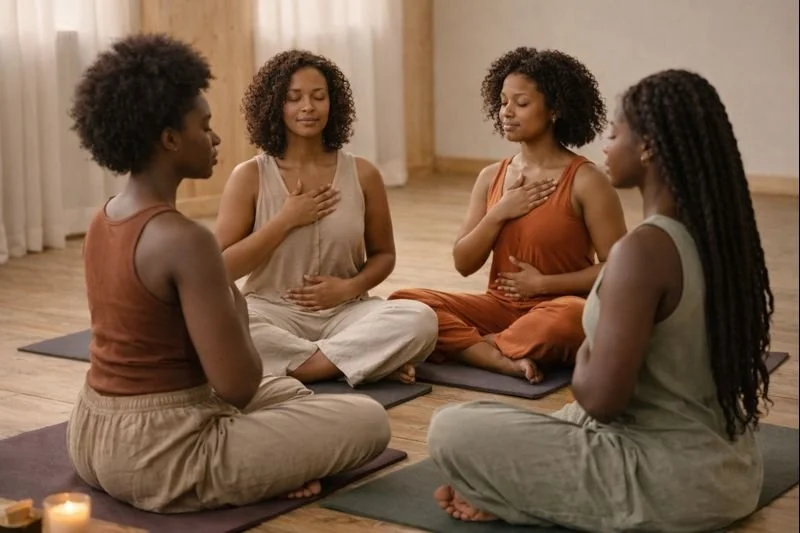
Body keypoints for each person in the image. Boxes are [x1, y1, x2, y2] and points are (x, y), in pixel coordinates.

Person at [427, 69, 773, 532]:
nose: (606, 144)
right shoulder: (715, 238)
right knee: (520, 423)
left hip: (668, 482)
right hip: (732, 470)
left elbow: (600, 400)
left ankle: (512, 491)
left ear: (647, 146)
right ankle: (510, 491)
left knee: (451, 428)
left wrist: (593, 333)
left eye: (615, 132)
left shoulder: (641, 250)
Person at [66, 34, 390, 513]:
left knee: (289, 392)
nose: (216, 138)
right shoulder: (187, 241)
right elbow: (238, 383)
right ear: (171, 139)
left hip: (91, 431)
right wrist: (234, 304)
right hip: (165, 452)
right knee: (369, 422)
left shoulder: (105, 215)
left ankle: (280, 453)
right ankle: (275, 467)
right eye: (205, 125)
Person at [389, 47, 627, 382]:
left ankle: (476, 349)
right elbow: (463, 263)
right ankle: (498, 355)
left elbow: (618, 268)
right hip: (498, 309)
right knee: (405, 301)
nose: (507, 112)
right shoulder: (491, 177)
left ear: (555, 109)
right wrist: (498, 213)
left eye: (521, 103)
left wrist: (544, 283)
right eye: (502, 102)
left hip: (557, 308)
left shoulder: (587, 181)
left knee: (571, 318)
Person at [214, 49, 436, 386]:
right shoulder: (249, 176)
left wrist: (350, 287)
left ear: (333, 104)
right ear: (276, 106)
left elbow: (384, 255)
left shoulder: (362, 173)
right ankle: (353, 361)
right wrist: (285, 219)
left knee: (420, 319)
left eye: (319, 96)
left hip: (346, 312)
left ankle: (308, 363)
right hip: (272, 312)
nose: (308, 107)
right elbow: (223, 268)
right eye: (294, 98)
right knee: (222, 323)